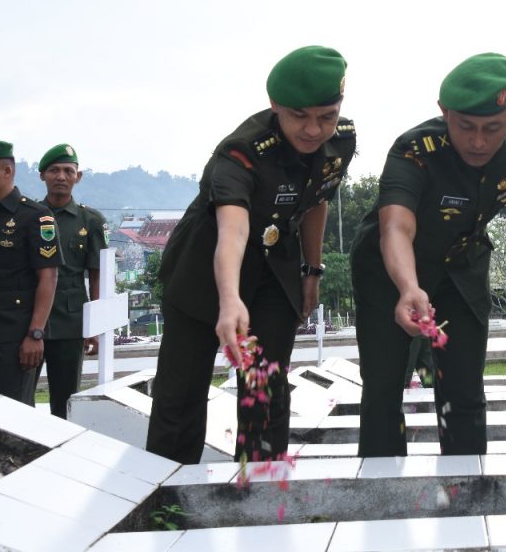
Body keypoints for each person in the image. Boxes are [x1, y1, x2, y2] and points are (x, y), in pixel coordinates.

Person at [146, 46, 356, 465]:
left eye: (326, 116)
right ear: (275, 104)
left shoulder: (341, 140)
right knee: (181, 395)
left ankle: (260, 486)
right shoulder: (241, 153)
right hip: (206, 273)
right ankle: (167, 492)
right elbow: (233, 230)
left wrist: (312, 270)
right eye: (299, 116)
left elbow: (317, 199)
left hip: (275, 271)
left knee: (266, 389)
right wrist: (229, 299)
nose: (314, 130)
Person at [350, 52, 506, 457]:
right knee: (384, 390)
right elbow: (396, 228)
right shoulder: (414, 149)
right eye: (465, 126)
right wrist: (409, 287)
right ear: (444, 113)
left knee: (464, 388)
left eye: (492, 128)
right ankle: (379, 491)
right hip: (391, 270)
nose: (478, 142)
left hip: (462, 265)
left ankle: (469, 486)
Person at [32, 144, 109, 419]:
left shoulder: (91, 220)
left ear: (79, 176)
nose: (61, 177)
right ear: (42, 175)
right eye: (54, 170)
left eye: (68, 171)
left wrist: (95, 327)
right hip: (29, 321)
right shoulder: (28, 215)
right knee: (19, 399)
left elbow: (98, 274)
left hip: (71, 322)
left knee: (65, 402)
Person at [0, 141, 62, 404]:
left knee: (13, 416)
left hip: (14, 337)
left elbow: (49, 278)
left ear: (7, 171)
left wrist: (36, 333)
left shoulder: (35, 216)